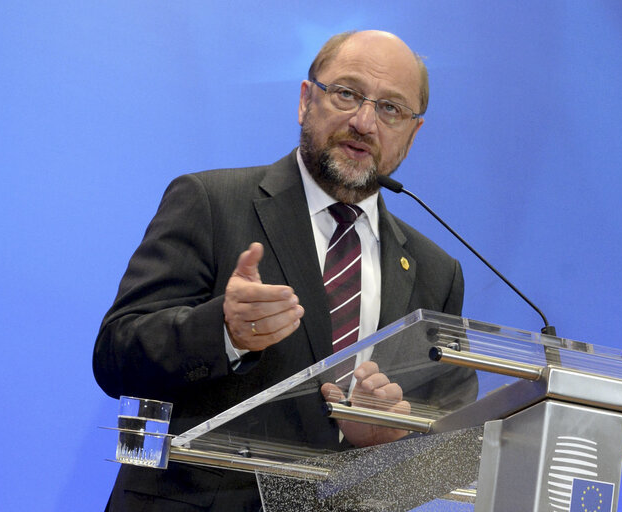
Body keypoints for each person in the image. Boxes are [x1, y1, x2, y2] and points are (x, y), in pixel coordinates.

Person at [94, 30, 476, 511]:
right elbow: (115, 356)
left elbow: (449, 448)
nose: (363, 121)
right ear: (305, 100)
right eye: (346, 94)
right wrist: (225, 332)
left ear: (413, 133)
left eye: (390, 109)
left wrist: (386, 443)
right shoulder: (210, 202)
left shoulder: (437, 273)